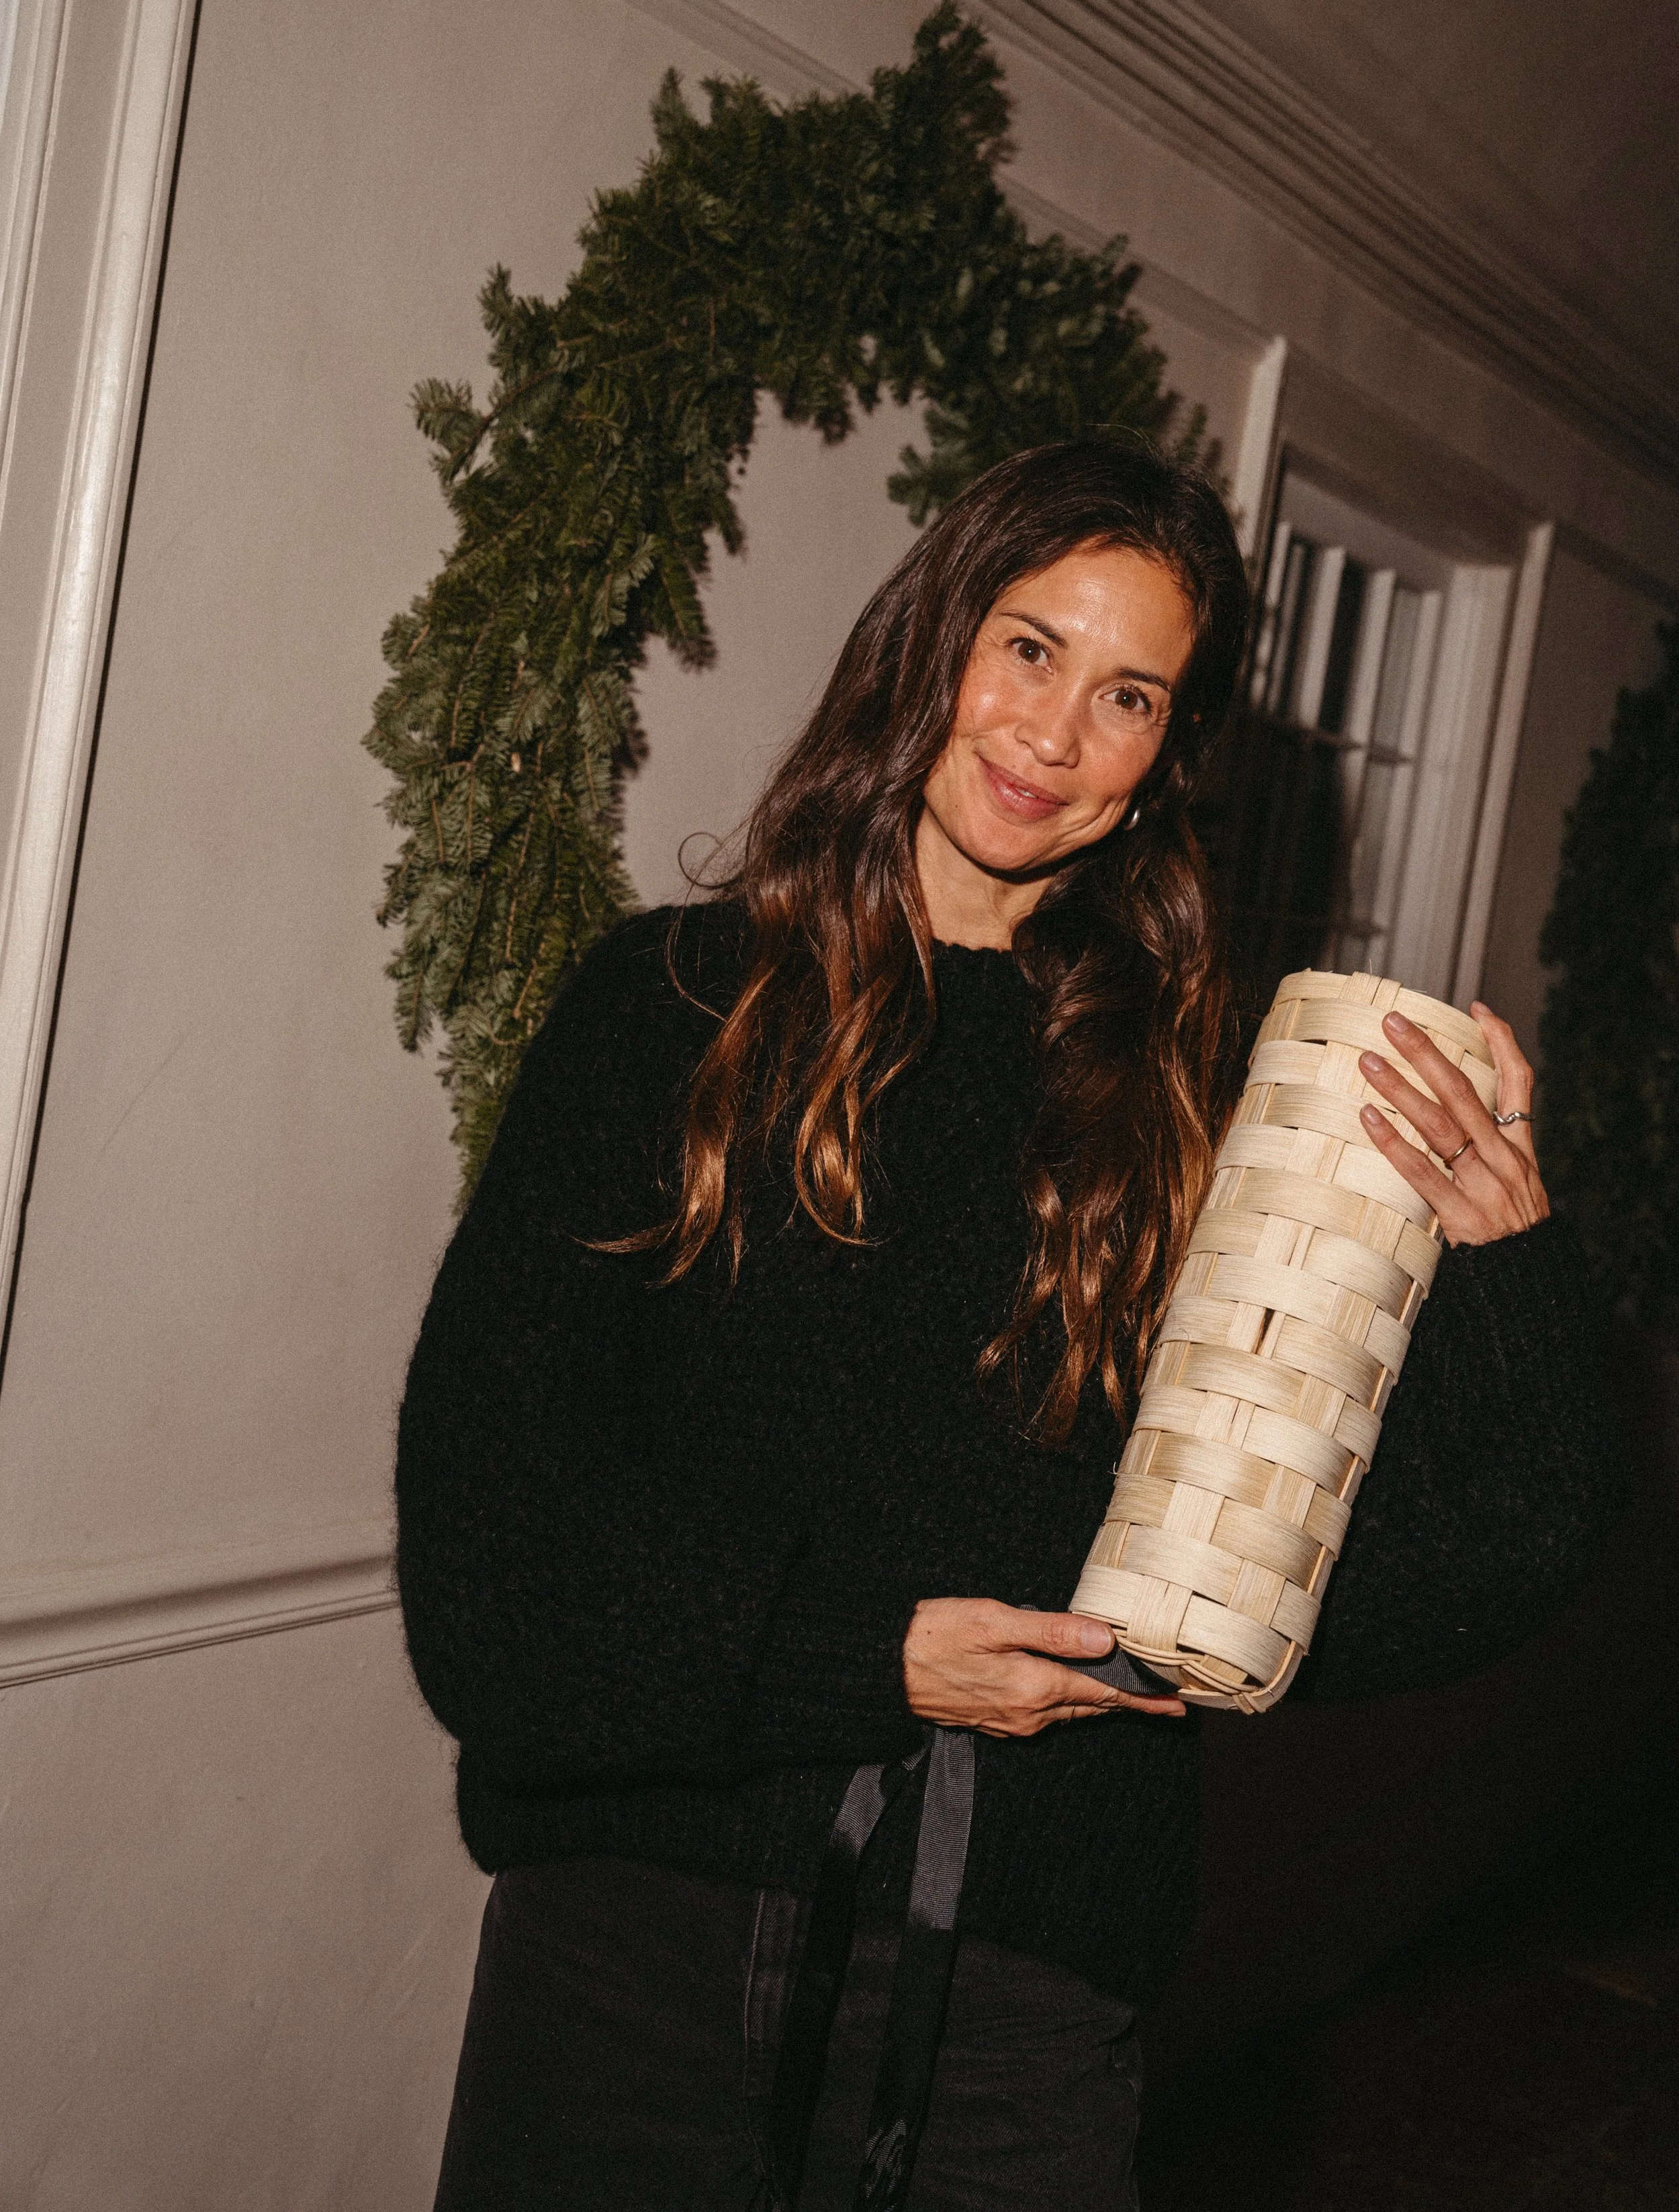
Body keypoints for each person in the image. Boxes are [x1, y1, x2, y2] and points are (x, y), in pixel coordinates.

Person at [396, 439, 1623, 2211]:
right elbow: (483, 1593)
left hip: (1008, 2032)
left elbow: (1489, 1549)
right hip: (629, 1978)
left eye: (1129, 694)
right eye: (1027, 646)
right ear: (930, 640)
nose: (1053, 730)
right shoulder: (661, 1016)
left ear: (1162, 760)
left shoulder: (1201, 1128)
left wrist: (1503, 1248)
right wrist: (871, 1659)